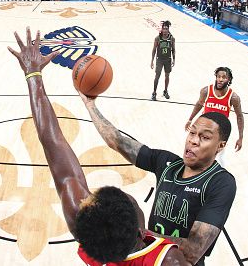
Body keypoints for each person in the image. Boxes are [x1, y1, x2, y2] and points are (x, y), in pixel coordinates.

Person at [8, 27, 188, 266]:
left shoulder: (87, 230)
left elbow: (52, 141)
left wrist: (33, 75)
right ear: (139, 230)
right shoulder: (169, 260)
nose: (87, 197)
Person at [79, 90, 236, 264]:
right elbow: (118, 141)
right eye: (192, 133)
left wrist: (139, 233)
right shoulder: (167, 163)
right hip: (149, 257)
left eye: (204, 137)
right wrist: (90, 106)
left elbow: (193, 251)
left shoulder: (221, 183)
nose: (193, 141)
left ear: (220, 146)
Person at [184, 67, 244, 152]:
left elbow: (240, 116)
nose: (220, 79)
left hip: (219, 131)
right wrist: (190, 119)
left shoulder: (233, 97)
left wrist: (240, 137)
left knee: (218, 157)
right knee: (196, 152)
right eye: (218, 76)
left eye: (224, 77)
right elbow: (199, 104)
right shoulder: (206, 91)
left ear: (229, 79)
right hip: (204, 128)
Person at [150, 20, 176, 101]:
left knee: (167, 76)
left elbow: (173, 49)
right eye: (163, 28)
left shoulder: (172, 38)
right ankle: (154, 92)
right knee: (157, 76)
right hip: (159, 60)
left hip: (168, 60)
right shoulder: (157, 38)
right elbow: (154, 49)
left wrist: (174, 60)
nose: (165, 30)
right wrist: (152, 61)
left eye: (166, 29)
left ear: (168, 30)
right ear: (161, 29)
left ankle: (165, 91)